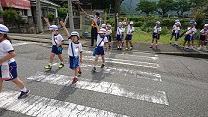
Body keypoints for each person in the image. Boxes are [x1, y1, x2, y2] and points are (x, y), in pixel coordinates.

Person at [0, 24, 29, 99]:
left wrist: (0, 60)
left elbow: (12, 54)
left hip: (8, 65)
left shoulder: (5, 43)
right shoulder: (1, 42)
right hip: (2, 64)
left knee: (14, 79)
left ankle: (24, 90)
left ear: (2, 34)